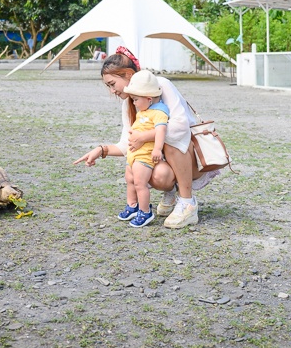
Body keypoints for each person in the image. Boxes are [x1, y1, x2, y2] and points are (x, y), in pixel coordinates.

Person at [74, 46, 217, 228]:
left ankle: (188, 202)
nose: (112, 91)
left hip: (191, 158)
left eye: (111, 84)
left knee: (168, 136)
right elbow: (129, 143)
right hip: (165, 160)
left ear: (127, 74)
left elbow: (181, 127)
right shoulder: (130, 104)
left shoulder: (161, 84)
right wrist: (102, 150)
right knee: (153, 172)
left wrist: (146, 136)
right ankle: (172, 192)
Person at [117, 70, 169, 227]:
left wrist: (157, 149)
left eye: (136, 99)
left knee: (140, 183)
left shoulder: (158, 113)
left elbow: (161, 131)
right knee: (130, 180)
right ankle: (132, 205)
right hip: (134, 154)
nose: (133, 103)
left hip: (144, 155)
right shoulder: (143, 111)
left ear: (148, 98)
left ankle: (145, 211)